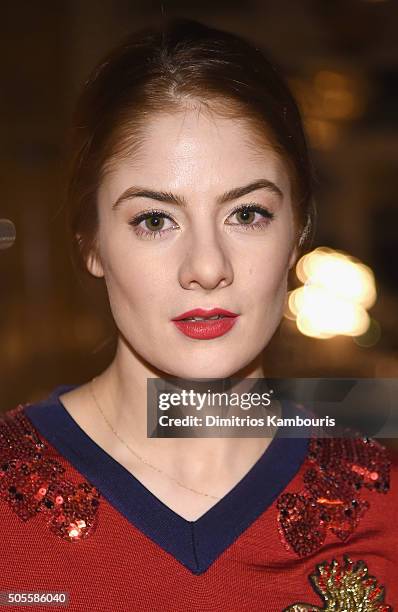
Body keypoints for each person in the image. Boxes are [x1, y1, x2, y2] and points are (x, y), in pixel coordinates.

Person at [0, 18, 397, 611]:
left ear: (298, 233)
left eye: (248, 213)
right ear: (90, 243)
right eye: (155, 220)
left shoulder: (382, 503)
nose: (207, 267)